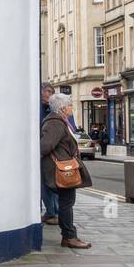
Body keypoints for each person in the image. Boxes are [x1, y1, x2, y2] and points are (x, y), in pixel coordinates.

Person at [40, 92, 93, 249]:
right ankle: (69, 237)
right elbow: (44, 146)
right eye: (70, 105)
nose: (72, 107)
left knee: (67, 203)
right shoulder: (55, 123)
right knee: (66, 203)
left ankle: (69, 236)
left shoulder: (60, 121)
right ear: (62, 108)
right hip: (62, 170)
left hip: (64, 168)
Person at [39, 83, 60, 225]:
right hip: (43, 152)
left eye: (51, 92)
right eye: (47, 91)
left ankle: (54, 212)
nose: (49, 94)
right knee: (44, 184)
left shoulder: (54, 109)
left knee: (53, 183)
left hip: (51, 153)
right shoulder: (37, 107)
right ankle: (51, 212)